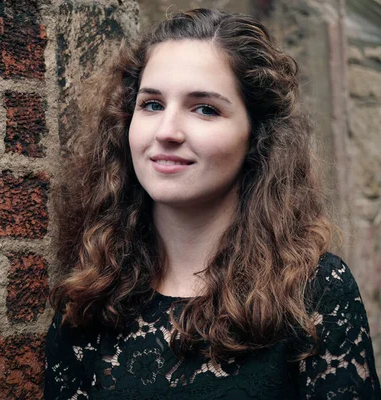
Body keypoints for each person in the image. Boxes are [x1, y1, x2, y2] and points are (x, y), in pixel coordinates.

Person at [44, 8, 380, 399]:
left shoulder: (317, 292)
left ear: (258, 136)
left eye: (205, 108)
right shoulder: (89, 296)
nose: (167, 131)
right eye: (151, 104)